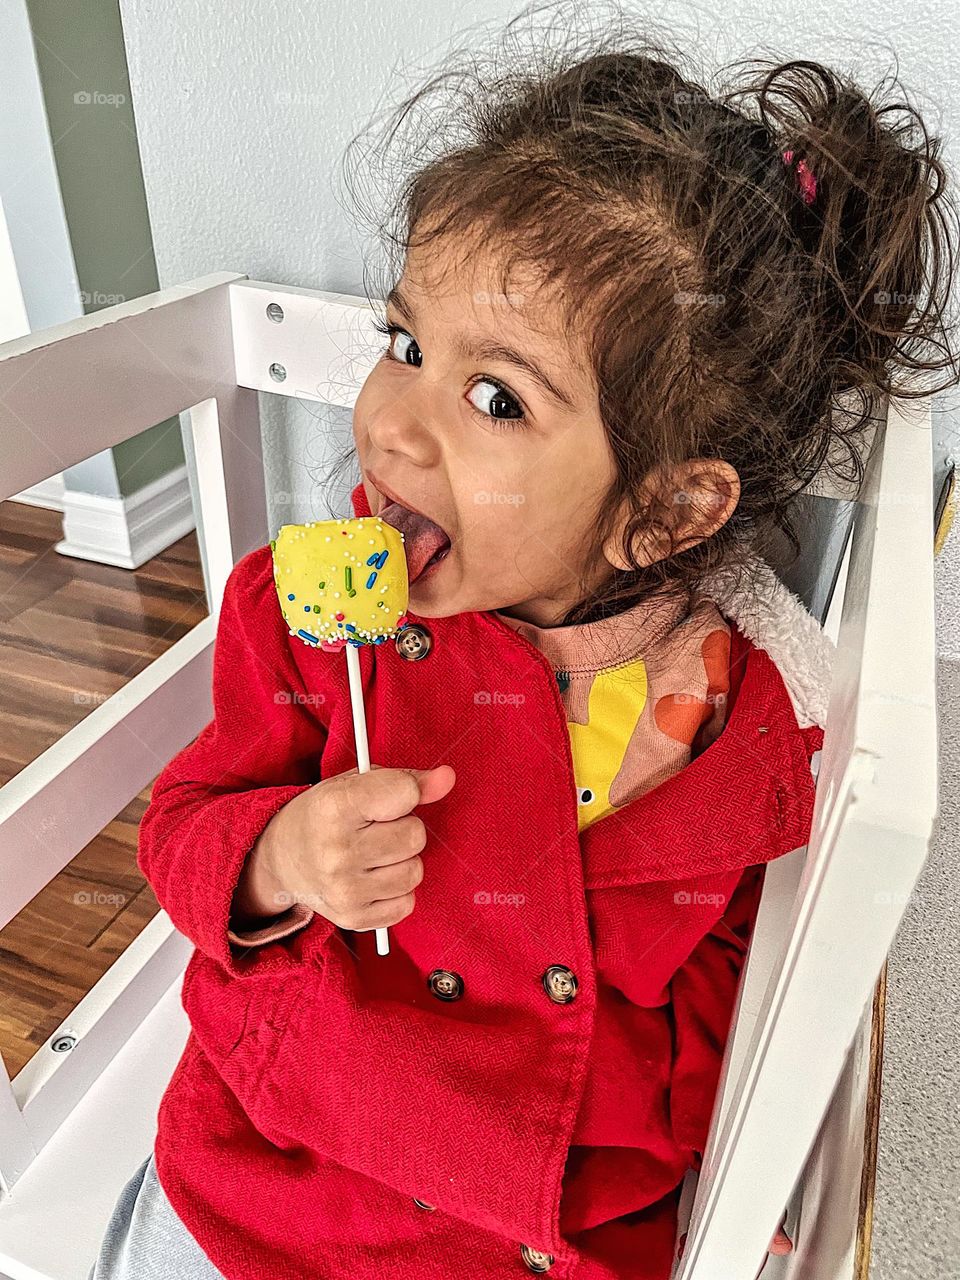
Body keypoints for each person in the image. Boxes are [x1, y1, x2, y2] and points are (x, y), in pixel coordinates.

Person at [88, 7, 957, 1278]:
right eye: (404, 343)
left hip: (527, 1230)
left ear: (664, 509)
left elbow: (717, 980)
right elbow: (182, 827)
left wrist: (721, 1162)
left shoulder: (716, 714)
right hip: (276, 1168)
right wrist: (277, 857)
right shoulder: (306, 621)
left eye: (495, 397)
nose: (388, 421)